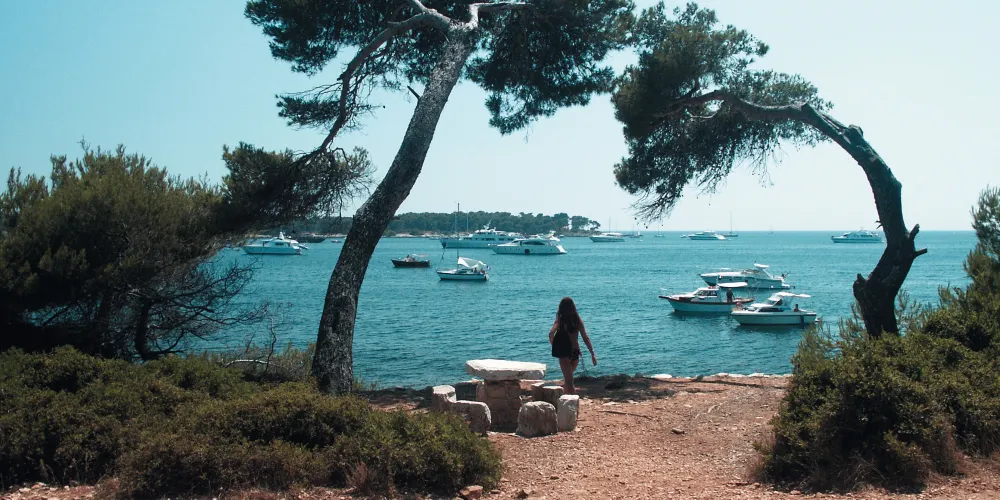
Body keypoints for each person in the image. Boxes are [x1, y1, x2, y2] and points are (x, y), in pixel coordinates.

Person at [548, 297, 597, 395]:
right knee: (568, 379)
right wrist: (592, 353)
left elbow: (551, 334)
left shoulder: (560, 321)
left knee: (569, 381)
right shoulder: (577, 320)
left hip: (564, 353)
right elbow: (585, 338)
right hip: (575, 353)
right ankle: (565, 399)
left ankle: (573, 401)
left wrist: (555, 345)